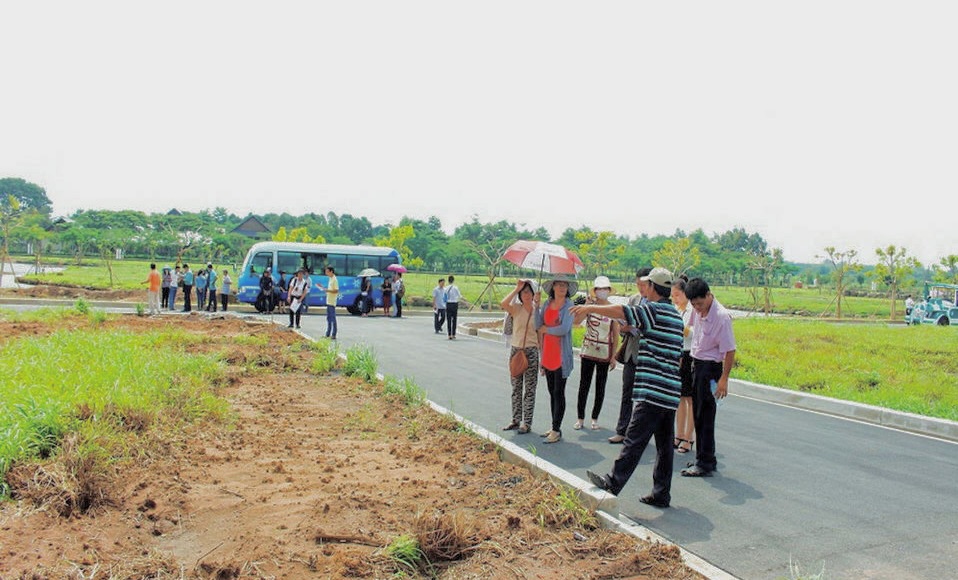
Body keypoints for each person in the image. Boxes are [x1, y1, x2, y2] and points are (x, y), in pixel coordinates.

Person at [576, 267, 684, 507]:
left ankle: (613, 482)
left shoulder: (653, 310)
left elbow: (623, 311)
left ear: (653, 288)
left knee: (634, 439)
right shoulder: (675, 315)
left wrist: (590, 307)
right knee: (664, 447)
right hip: (669, 389)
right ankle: (661, 493)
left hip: (653, 389)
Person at [681, 277, 736, 478]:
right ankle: (704, 458)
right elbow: (693, 330)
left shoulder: (721, 317)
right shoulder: (698, 311)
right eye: (693, 305)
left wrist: (724, 379)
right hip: (697, 363)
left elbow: (730, 350)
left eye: (700, 303)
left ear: (708, 295)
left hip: (711, 368)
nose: (697, 308)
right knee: (697, 413)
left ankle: (704, 462)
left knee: (705, 416)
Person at [609, 267, 652, 444]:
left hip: (647, 356)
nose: (640, 288)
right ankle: (622, 430)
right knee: (627, 393)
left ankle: (640, 434)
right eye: (638, 284)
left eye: (643, 285)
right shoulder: (633, 299)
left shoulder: (656, 304)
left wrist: (639, 328)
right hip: (630, 353)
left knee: (645, 398)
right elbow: (622, 323)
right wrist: (625, 329)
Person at [572, 276, 620, 431]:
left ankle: (594, 418)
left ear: (609, 290)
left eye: (605, 289)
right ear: (595, 291)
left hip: (604, 352)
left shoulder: (613, 309)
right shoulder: (589, 307)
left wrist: (613, 356)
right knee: (583, 385)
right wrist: (585, 306)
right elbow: (577, 322)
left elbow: (616, 334)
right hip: (588, 350)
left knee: (601, 386)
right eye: (599, 289)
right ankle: (580, 418)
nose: (602, 292)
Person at [536, 276, 576, 444]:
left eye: (565, 285)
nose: (562, 288)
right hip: (547, 353)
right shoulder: (547, 303)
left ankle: (556, 429)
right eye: (559, 284)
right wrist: (536, 306)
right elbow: (538, 325)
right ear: (553, 287)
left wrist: (547, 329)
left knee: (559, 392)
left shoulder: (569, 306)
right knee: (552, 392)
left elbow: (564, 329)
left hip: (561, 355)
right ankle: (554, 426)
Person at [500, 279, 540, 434]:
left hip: (531, 351)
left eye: (529, 292)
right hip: (516, 351)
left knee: (530, 389)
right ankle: (515, 420)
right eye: (524, 292)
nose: (526, 295)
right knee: (516, 387)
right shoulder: (516, 308)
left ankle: (527, 422)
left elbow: (541, 333)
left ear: (533, 293)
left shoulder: (538, 311)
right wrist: (516, 288)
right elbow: (503, 303)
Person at [671, 276, 695, 454]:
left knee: (690, 399)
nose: (675, 299)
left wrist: (681, 327)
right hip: (678, 354)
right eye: (673, 296)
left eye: (677, 295)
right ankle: (678, 434)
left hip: (690, 355)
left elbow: (694, 334)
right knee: (679, 398)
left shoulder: (693, 310)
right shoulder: (677, 309)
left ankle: (689, 437)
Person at [315, 266, 339, 339]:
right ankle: (328, 333)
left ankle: (334, 334)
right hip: (328, 301)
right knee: (329, 318)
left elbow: (336, 290)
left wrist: (327, 290)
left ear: (331, 271)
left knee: (333, 318)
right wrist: (323, 287)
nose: (326, 273)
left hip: (332, 302)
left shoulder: (334, 279)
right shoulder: (330, 279)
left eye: (327, 271)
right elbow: (329, 289)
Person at [445, 275, 462, 339]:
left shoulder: (446, 288)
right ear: (453, 280)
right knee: (454, 319)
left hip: (448, 304)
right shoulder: (456, 288)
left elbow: (445, 297)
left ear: (448, 280)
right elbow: (460, 296)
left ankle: (449, 335)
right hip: (455, 304)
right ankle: (453, 334)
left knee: (449, 320)